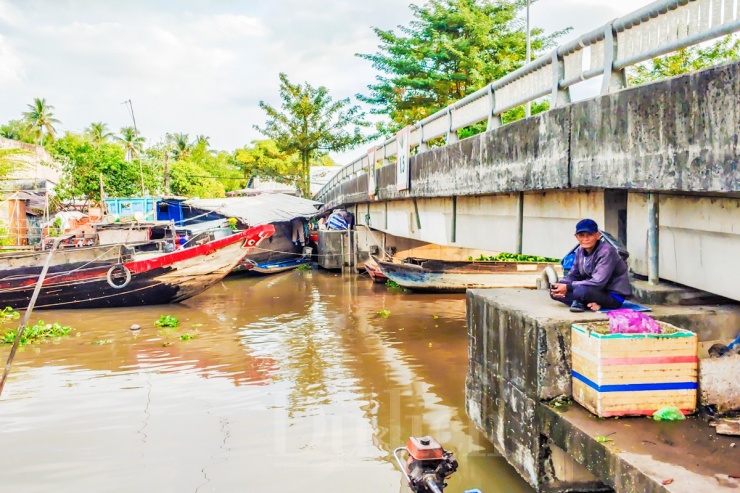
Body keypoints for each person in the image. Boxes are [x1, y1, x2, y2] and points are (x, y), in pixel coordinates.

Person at [550, 218, 631, 312]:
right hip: (593, 291)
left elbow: (598, 282)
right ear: (576, 237)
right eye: (581, 235)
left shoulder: (606, 251)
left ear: (598, 236)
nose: (585, 239)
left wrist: (568, 287)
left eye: (589, 235)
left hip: (612, 295)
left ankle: (581, 303)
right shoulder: (580, 251)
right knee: (554, 291)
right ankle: (583, 303)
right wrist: (561, 284)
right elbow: (573, 275)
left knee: (580, 291)